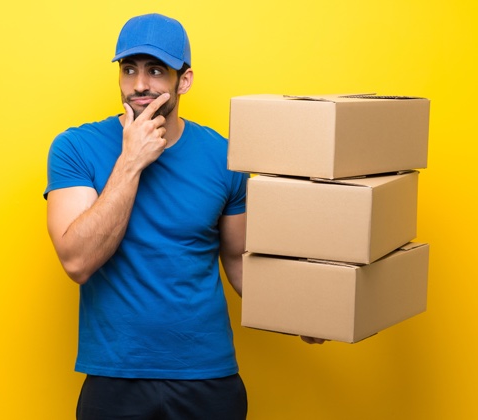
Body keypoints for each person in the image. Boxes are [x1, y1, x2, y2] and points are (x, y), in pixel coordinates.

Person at [44, 13, 323, 420]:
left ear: (184, 80)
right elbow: (77, 260)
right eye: (129, 69)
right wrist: (130, 162)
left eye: (156, 70)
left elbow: (239, 260)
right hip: (115, 378)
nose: (140, 84)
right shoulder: (75, 147)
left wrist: (297, 313)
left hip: (208, 378)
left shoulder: (225, 157)